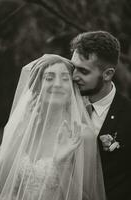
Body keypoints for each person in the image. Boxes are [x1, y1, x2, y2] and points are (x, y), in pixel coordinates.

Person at [0, 55, 106, 200]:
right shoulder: (23, 128)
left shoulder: (82, 134)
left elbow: (87, 197)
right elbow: (2, 183)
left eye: (65, 79)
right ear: (37, 86)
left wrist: (61, 165)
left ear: (72, 88)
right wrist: (20, 132)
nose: (58, 84)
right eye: (49, 78)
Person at [71, 30, 131, 200]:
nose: (74, 76)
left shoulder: (128, 116)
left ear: (108, 74)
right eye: (73, 67)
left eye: (83, 71)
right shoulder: (64, 106)